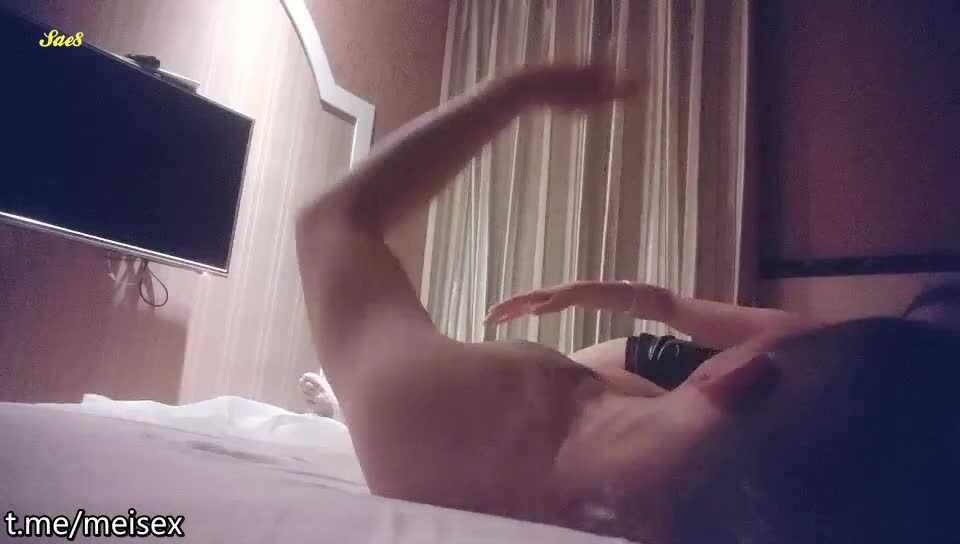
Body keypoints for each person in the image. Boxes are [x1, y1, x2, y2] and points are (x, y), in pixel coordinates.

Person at [295, 63, 960, 543]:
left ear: (735, 371)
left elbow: (329, 223)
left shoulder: (461, 418)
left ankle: (341, 408)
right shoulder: (676, 476)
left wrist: (507, 95)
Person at [486, 279, 960, 391]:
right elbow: (668, 306)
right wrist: (577, 293)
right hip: (647, 368)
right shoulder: (822, 344)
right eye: (910, 334)